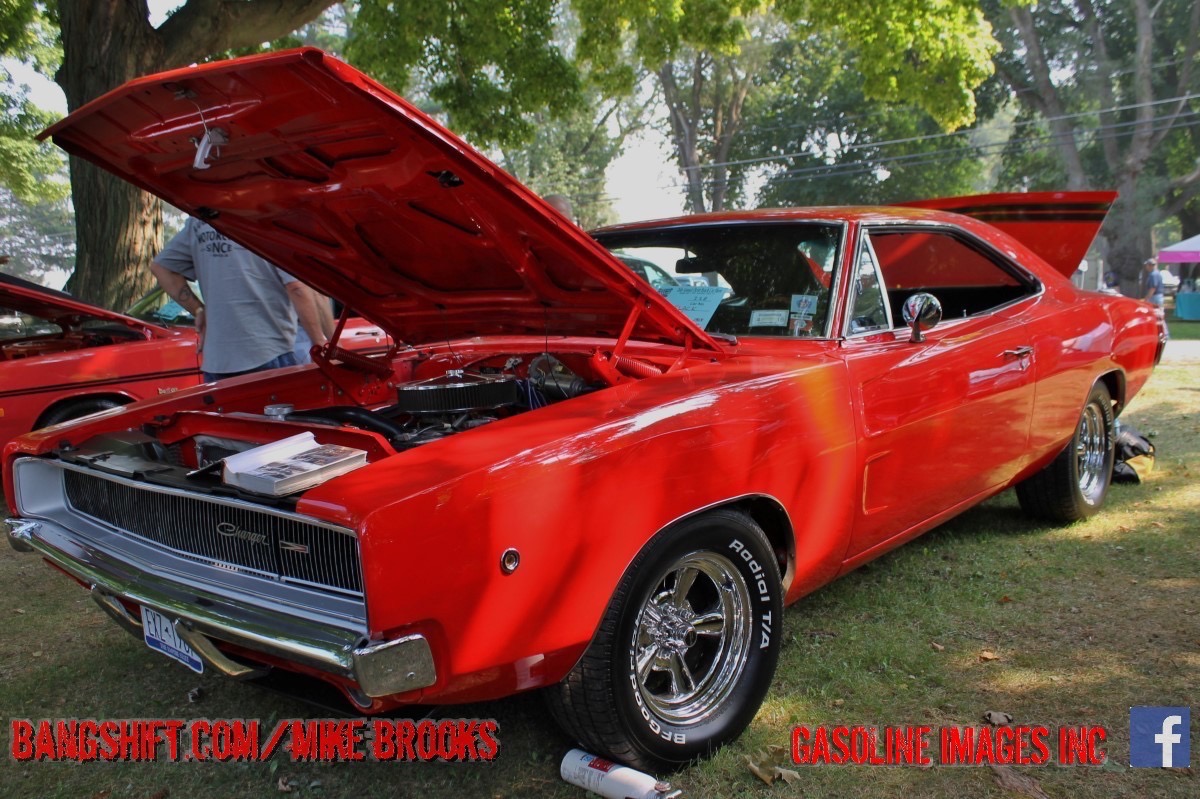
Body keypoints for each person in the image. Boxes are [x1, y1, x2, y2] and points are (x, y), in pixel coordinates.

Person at [151, 217, 329, 382]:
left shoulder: (200, 219)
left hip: (217, 363)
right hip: (269, 355)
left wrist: (198, 310)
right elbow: (297, 288)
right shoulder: (270, 216)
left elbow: (161, 268)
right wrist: (319, 344)